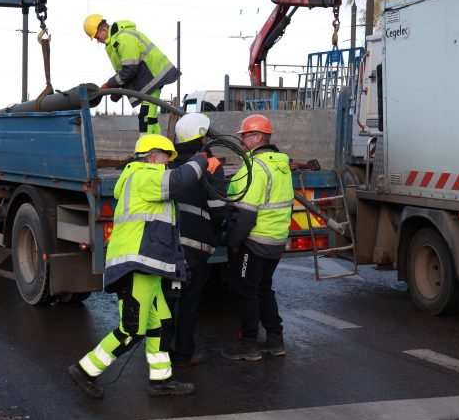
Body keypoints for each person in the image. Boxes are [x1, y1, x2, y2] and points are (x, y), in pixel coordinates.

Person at [68, 134, 210, 398]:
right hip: (136, 266)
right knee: (132, 330)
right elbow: (179, 182)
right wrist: (201, 161)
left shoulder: (145, 178)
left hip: (149, 267)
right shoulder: (143, 176)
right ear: (152, 156)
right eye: (167, 158)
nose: (169, 165)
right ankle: (85, 370)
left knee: (161, 324)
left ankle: (161, 380)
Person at [221, 114, 293, 361]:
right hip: (275, 240)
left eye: (245, 136)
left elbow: (245, 214)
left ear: (258, 137)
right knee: (264, 289)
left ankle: (249, 344)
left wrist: (233, 242)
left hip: (254, 242)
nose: (242, 142)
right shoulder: (280, 164)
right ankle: (275, 338)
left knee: (246, 291)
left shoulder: (255, 167)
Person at [166, 113, 228, 369]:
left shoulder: (168, 163)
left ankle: (160, 355)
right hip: (196, 247)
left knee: (167, 303)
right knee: (189, 303)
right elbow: (218, 208)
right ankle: (183, 354)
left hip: (168, 246)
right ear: (203, 136)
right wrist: (223, 227)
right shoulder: (211, 164)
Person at [83, 14, 180, 135]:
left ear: (104, 30)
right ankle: (159, 149)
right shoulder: (116, 42)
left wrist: (109, 85)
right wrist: (117, 89)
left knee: (145, 117)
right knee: (150, 117)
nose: (98, 40)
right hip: (149, 79)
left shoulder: (124, 39)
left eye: (97, 37)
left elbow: (130, 70)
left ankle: (147, 151)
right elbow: (126, 71)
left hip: (153, 79)